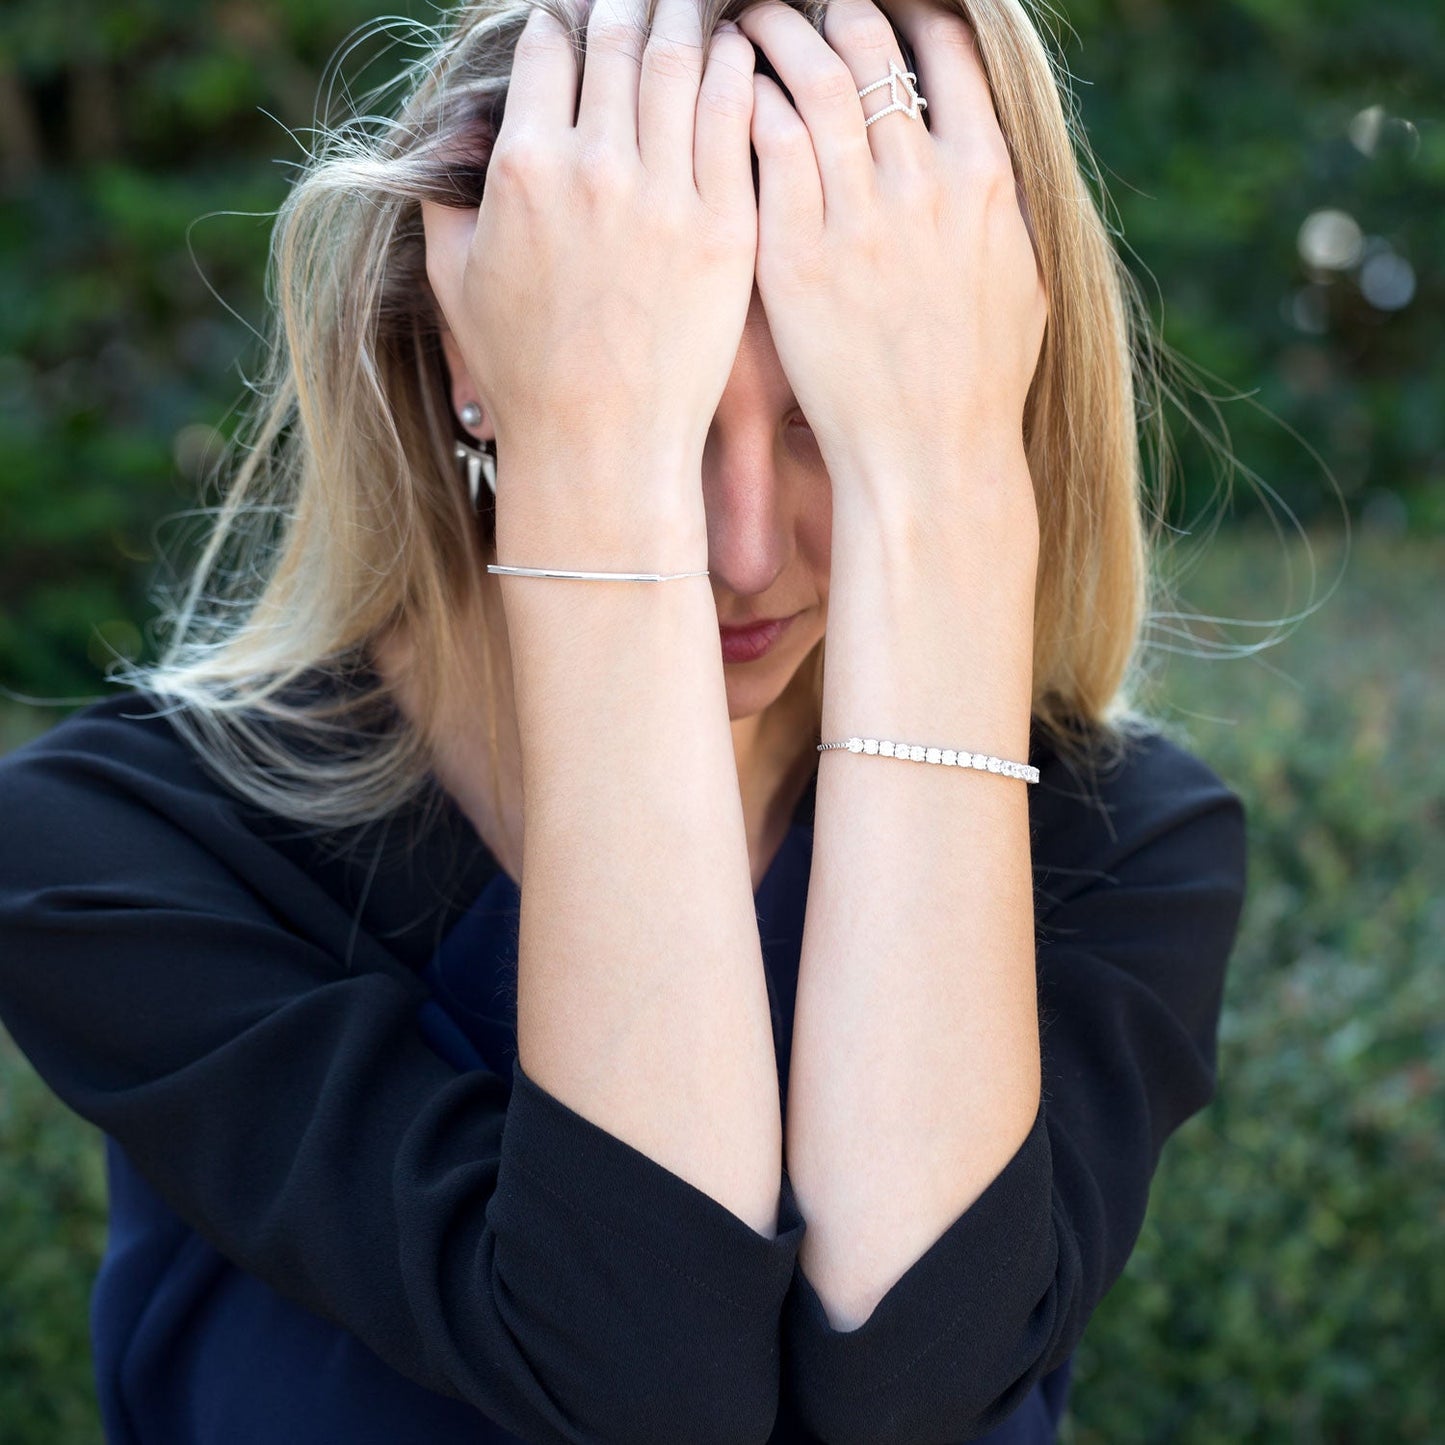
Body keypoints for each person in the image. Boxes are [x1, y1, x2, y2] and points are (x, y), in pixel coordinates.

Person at [0, 0, 1248, 1439]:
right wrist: (587, 474)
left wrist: (938, 487)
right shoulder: (120, 846)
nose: (738, 550)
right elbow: (644, 1371)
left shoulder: (1118, 843)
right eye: (666, 407)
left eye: (826, 426)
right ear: (468, 352)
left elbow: (915, 1384)